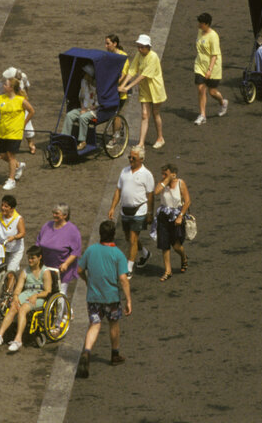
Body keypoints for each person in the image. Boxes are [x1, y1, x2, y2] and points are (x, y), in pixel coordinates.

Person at [76, 219, 132, 379]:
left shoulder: (91, 250)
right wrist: (128, 300)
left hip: (93, 296)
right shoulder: (118, 254)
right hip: (111, 297)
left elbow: (79, 270)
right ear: (113, 235)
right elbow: (123, 279)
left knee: (94, 324)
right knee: (113, 324)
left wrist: (87, 280)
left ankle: (86, 351)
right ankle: (115, 354)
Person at [0, 246, 51, 353]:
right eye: (29, 258)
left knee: (23, 308)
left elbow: (47, 291)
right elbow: (18, 288)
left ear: (39, 258)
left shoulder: (45, 272)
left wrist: (36, 296)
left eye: (32, 258)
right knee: (13, 307)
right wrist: (15, 298)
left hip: (39, 296)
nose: (29, 260)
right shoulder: (25, 271)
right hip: (26, 293)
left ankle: (18, 339)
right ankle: (0, 335)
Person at [108, 145, 155, 278]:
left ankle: (129, 268)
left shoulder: (147, 174)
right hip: (125, 210)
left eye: (133, 158)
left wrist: (150, 213)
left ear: (141, 159)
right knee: (129, 238)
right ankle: (145, 254)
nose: (130, 159)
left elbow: (150, 196)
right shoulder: (124, 171)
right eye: (129, 157)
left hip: (139, 211)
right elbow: (118, 190)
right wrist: (112, 207)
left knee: (133, 239)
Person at [119, 34, 167, 149]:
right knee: (145, 115)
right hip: (145, 89)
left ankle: (160, 137)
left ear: (148, 47)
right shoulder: (138, 55)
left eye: (142, 47)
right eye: (138, 47)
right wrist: (123, 85)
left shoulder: (153, 57)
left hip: (155, 89)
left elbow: (143, 75)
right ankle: (141, 143)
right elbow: (132, 70)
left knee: (155, 113)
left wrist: (128, 87)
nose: (140, 49)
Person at [0, 71, 34, 191]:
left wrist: (23, 123)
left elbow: (31, 111)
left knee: (10, 155)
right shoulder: (2, 98)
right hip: (3, 131)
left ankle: (11, 180)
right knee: (2, 156)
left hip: (15, 132)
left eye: (6, 84)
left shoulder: (20, 100)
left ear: (11, 88)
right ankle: (18, 166)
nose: (3, 86)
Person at [153, 163, 191, 281]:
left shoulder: (180, 183)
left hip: (176, 217)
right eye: (163, 174)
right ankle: (168, 271)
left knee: (176, 245)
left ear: (173, 174)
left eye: (166, 174)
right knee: (165, 245)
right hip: (164, 216)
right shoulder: (162, 183)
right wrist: (166, 181)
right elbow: (156, 191)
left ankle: (184, 257)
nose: (163, 176)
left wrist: (180, 216)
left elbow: (187, 201)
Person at [36, 203, 83, 283]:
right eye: (53, 213)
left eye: (57, 213)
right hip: (45, 268)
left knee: (60, 294)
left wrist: (66, 264)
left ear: (65, 215)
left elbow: (75, 252)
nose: (54, 215)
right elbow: (38, 243)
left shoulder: (72, 230)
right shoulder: (47, 226)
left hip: (61, 271)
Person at [194, 13, 228, 125]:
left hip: (212, 68)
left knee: (212, 92)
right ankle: (202, 115)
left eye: (201, 23)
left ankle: (222, 102)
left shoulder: (213, 36)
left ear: (207, 24)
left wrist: (209, 70)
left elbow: (214, 55)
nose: (199, 25)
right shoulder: (200, 32)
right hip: (200, 65)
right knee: (200, 89)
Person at [0, 194, 26, 292]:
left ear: (12, 208)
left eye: (6, 206)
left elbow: (22, 233)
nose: (3, 208)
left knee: (10, 273)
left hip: (15, 250)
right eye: (2, 205)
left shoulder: (18, 219)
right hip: (3, 249)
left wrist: (14, 237)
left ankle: (7, 296)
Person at [62, 63, 98, 147]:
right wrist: (82, 108)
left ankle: (82, 141)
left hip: (93, 111)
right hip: (83, 108)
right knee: (69, 115)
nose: (84, 74)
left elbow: (97, 104)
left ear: (90, 75)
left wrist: (87, 110)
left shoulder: (96, 86)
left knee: (83, 118)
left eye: (85, 73)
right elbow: (81, 97)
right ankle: (65, 137)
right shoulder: (83, 82)